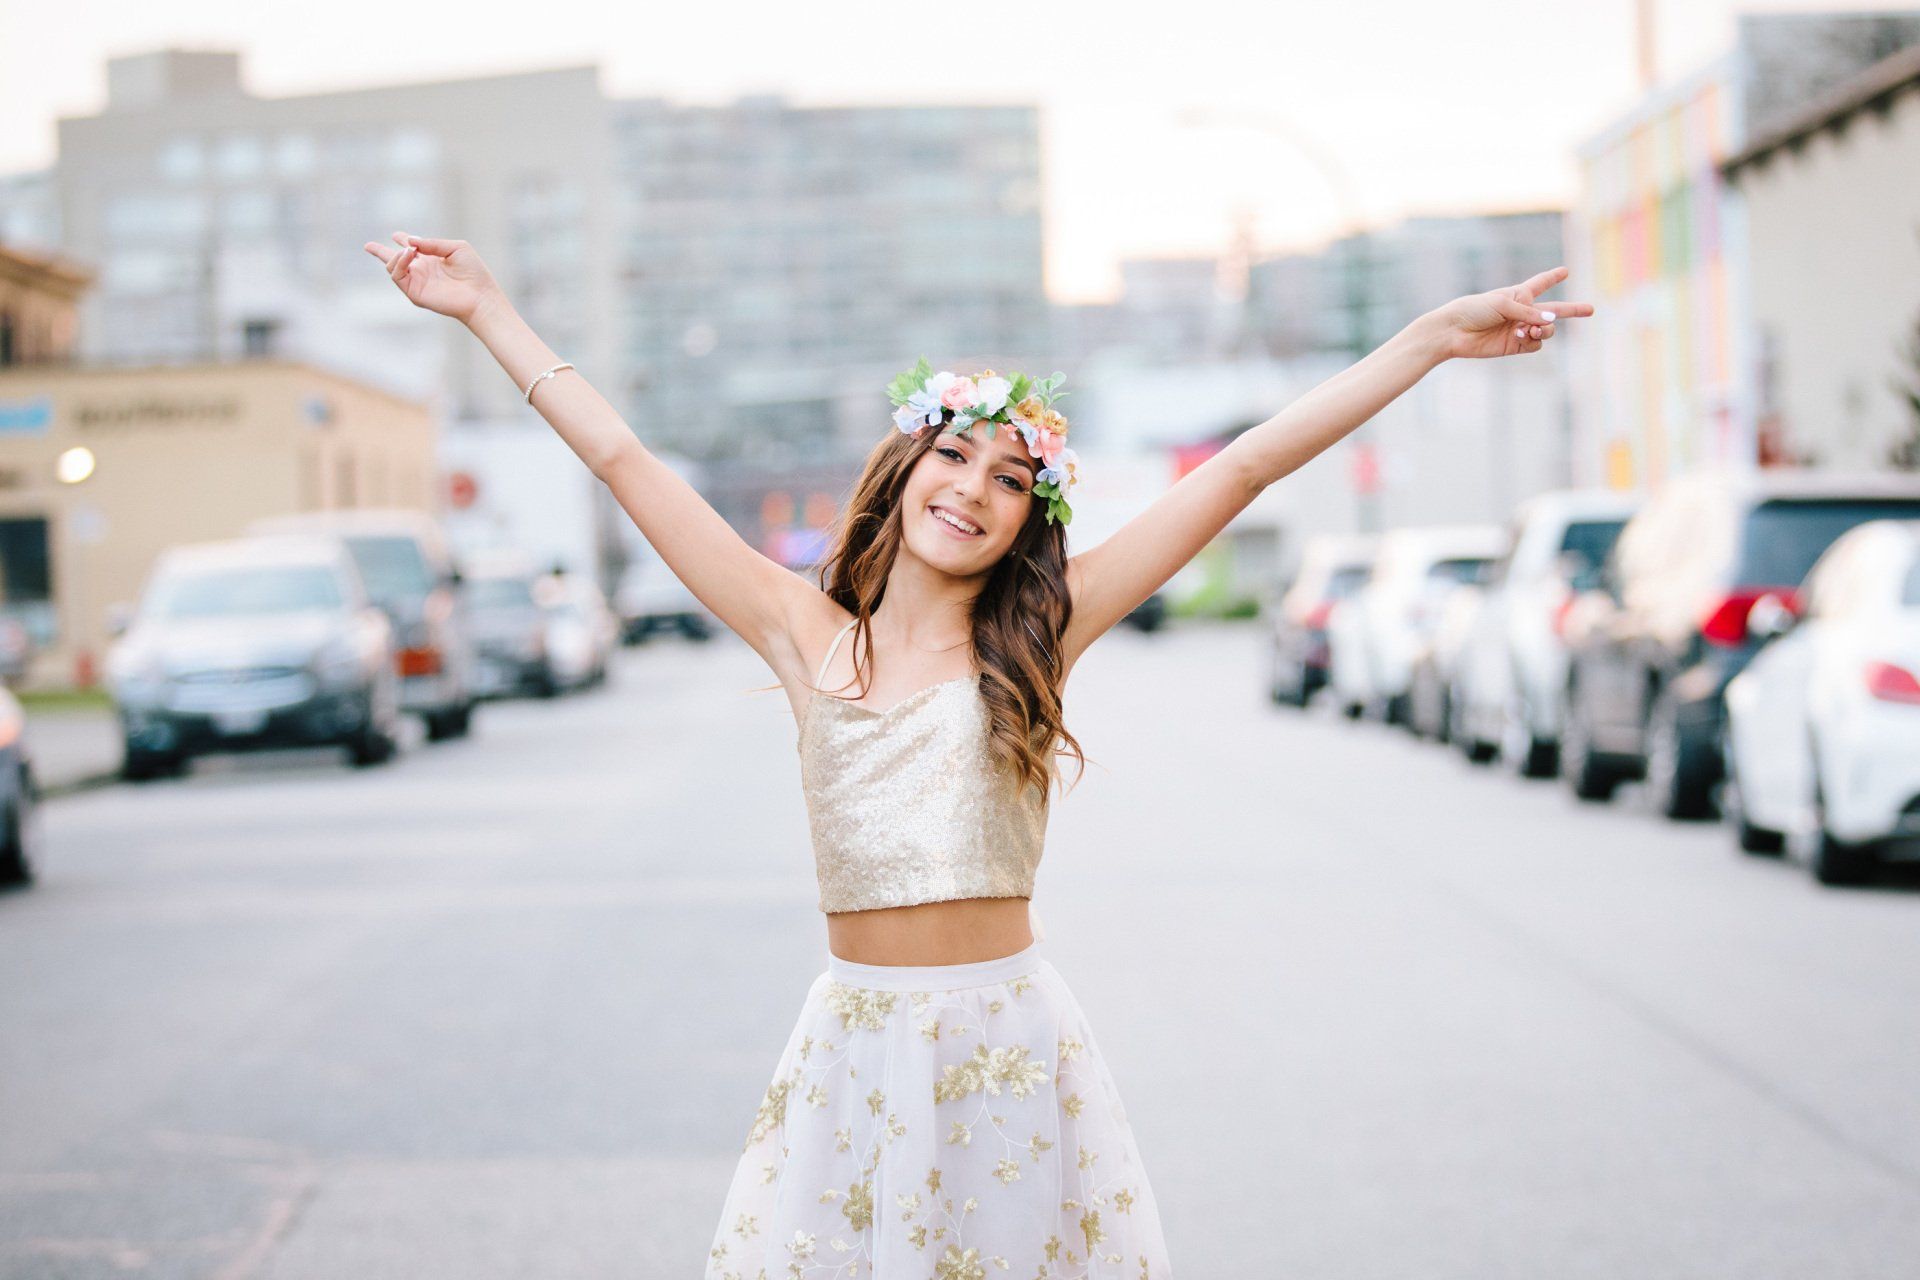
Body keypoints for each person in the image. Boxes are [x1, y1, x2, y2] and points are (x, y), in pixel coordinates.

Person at [365, 229, 1589, 1277]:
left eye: (1012, 478)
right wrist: (486, 310)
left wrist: (1430, 338)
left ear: (1027, 519)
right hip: (855, 1044)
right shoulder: (803, 634)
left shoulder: (1044, 630)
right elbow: (623, 459)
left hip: (1006, 1042)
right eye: (953, 454)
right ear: (905, 469)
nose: (973, 489)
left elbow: (1245, 464)